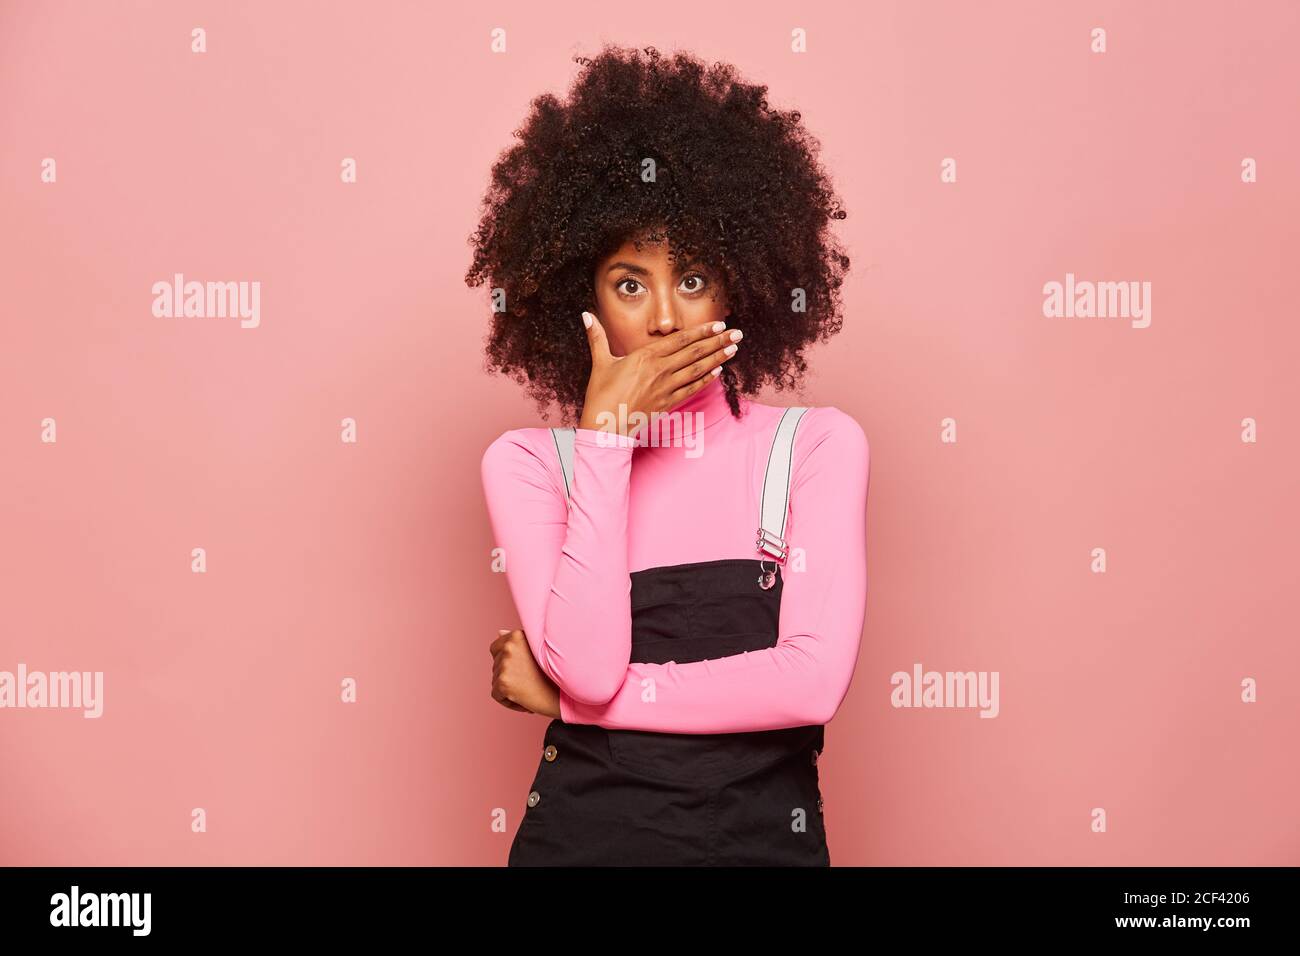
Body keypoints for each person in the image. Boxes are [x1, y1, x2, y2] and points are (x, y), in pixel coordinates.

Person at [467, 44, 869, 866]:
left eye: (691, 280)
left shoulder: (814, 447)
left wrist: (580, 708)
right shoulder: (529, 464)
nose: (662, 322)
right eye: (628, 284)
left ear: (739, 289)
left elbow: (811, 685)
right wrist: (607, 438)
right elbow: (588, 667)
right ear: (580, 304)